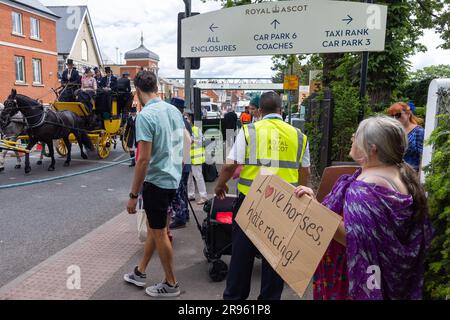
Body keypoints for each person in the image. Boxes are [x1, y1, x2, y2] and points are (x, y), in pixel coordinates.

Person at [294, 116, 433, 300]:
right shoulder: (401, 173)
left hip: (356, 281)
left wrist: (313, 210)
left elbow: (355, 239)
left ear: (372, 148)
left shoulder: (365, 187)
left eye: (357, 136)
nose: (353, 138)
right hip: (391, 277)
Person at [215, 91, 310, 300]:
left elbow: (230, 165)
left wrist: (219, 185)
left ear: (259, 112)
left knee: (241, 257)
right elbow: (305, 172)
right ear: (281, 111)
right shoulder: (299, 136)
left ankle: (234, 300)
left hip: (250, 203)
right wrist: (300, 198)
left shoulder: (249, 131)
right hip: (283, 206)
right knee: (274, 259)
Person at [125, 71, 188, 297]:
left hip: (156, 182)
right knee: (156, 227)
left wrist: (133, 195)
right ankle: (140, 272)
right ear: (156, 87)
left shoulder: (145, 116)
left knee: (160, 232)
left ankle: (171, 284)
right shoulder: (173, 111)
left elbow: (143, 159)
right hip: (173, 178)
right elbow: (181, 144)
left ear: (138, 91)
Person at [168, 97, 193, 230]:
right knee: (183, 190)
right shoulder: (186, 122)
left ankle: (180, 217)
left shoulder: (178, 122)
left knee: (177, 191)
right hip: (186, 161)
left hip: (180, 163)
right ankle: (185, 213)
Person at [387, 102, 425, 172]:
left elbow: (423, 157)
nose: (395, 118)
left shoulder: (419, 131)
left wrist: (420, 178)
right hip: (395, 173)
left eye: (398, 115)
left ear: (408, 114)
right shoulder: (393, 132)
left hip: (412, 175)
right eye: (392, 116)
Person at [187, 114, 208, 205]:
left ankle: (203, 197)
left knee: (198, 177)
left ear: (190, 119)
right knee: (189, 178)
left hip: (196, 158)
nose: (185, 120)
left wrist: (193, 141)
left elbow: (203, 141)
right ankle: (190, 195)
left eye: (186, 118)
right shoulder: (183, 130)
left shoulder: (196, 129)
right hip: (188, 158)